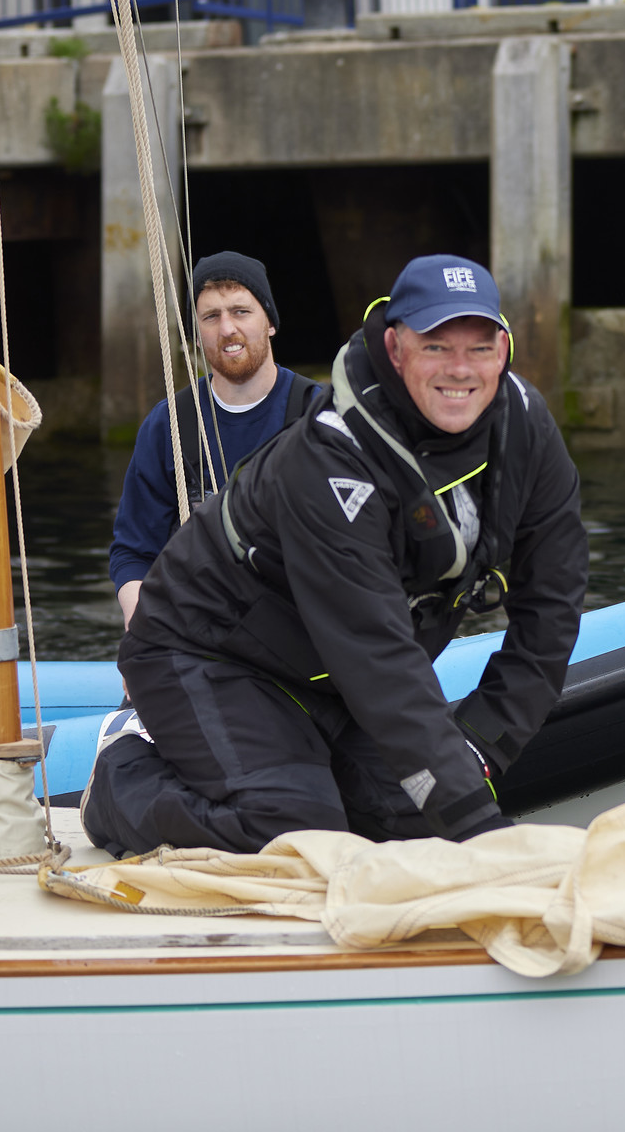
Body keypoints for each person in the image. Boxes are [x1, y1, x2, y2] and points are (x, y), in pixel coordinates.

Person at [83, 255, 588, 858]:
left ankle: (314, 773)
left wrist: (482, 743)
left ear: (504, 350)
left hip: (325, 672)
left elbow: (552, 608)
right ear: (396, 349)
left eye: (479, 347)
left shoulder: (528, 432)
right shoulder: (330, 458)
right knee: (295, 830)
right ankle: (122, 782)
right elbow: (377, 656)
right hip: (208, 647)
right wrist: (484, 836)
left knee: (417, 823)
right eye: (435, 346)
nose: (460, 369)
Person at [110, 252, 316, 626]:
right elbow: (133, 553)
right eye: (211, 317)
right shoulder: (168, 424)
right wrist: (141, 634)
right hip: (197, 632)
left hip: (301, 632)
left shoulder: (320, 415)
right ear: (198, 332)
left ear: (269, 321)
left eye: (241, 311)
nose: (227, 329)